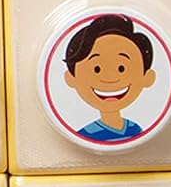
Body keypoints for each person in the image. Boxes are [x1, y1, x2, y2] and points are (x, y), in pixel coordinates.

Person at [62, 13, 156, 142]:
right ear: (71, 79)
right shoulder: (86, 135)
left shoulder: (135, 129)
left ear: (147, 77)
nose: (110, 78)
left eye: (121, 68)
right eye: (97, 69)